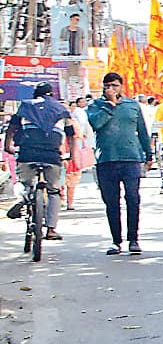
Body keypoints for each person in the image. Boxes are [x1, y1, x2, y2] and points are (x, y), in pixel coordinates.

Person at [88, 73, 152, 255]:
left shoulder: (132, 105)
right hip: (106, 160)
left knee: (133, 198)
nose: (111, 89)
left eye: (115, 85)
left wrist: (148, 154)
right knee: (111, 202)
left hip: (130, 158)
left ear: (121, 87)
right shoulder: (95, 106)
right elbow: (97, 124)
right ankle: (116, 241)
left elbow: (142, 131)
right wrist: (110, 105)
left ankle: (134, 239)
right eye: (107, 85)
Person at [6, 82, 73, 239]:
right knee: (53, 191)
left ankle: (22, 197)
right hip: (52, 156)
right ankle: (51, 229)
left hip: (28, 154)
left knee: (22, 182)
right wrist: (70, 154)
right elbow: (71, 133)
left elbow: (12, 127)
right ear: (52, 94)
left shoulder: (26, 105)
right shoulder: (62, 109)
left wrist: (7, 146)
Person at [64, 94, 93, 210]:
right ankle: (68, 202)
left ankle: (63, 201)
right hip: (71, 152)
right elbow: (80, 135)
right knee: (70, 180)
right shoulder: (72, 121)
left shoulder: (52, 121)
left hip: (63, 152)